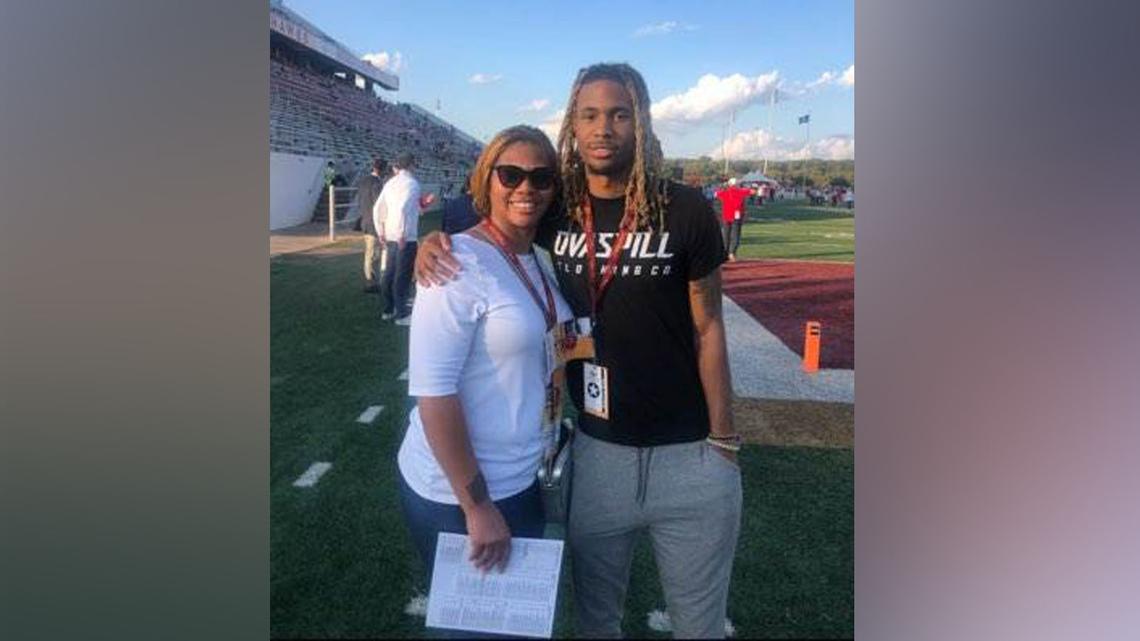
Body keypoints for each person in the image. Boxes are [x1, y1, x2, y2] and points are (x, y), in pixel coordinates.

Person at [416, 62, 741, 639]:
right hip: (596, 452)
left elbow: (709, 325)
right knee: (596, 622)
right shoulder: (556, 204)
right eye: (589, 115)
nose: (604, 128)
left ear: (639, 122)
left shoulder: (687, 209)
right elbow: (482, 222)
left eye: (619, 114)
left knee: (700, 626)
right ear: (573, 123)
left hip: (689, 454)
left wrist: (723, 439)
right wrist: (428, 242)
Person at [396, 125, 571, 600]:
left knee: (513, 624)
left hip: (525, 479)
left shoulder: (538, 258)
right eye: (510, 175)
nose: (525, 189)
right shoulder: (455, 263)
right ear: (485, 179)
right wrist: (476, 506)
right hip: (459, 494)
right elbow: (434, 394)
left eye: (541, 178)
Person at [373, 152, 435, 324]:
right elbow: (402, 209)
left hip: (391, 235)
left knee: (390, 273)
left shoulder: (390, 183)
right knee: (402, 275)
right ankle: (401, 314)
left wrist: (381, 232)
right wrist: (401, 234)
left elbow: (378, 208)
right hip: (404, 238)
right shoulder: (412, 184)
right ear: (411, 166)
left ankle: (389, 309)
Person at [356, 158, 387, 293]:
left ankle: (370, 279)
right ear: (382, 169)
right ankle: (372, 282)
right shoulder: (377, 183)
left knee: (369, 253)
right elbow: (378, 206)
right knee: (375, 253)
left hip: (365, 221)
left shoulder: (363, 181)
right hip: (374, 223)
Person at [714, 177, 752, 261]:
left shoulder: (724, 192)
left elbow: (716, 194)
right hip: (736, 215)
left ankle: (724, 253)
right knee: (735, 235)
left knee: (725, 235)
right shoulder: (740, 192)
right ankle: (732, 252)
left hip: (726, 215)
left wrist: (723, 187)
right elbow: (751, 191)